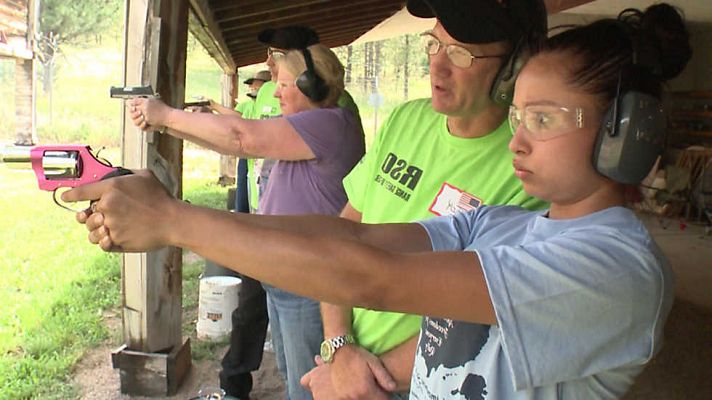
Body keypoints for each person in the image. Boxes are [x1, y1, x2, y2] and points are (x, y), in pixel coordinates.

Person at [65, 2, 691, 398]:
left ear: (625, 140)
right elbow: (354, 237)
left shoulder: (617, 269)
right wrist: (340, 351)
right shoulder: (505, 224)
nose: (519, 140)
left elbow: (378, 278)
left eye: (547, 119)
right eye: (521, 116)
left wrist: (173, 219)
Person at [314, 0, 548, 398]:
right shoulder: (407, 119)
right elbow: (343, 235)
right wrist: (339, 346)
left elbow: (486, 319)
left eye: (460, 53)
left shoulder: (531, 166)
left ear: (515, 67)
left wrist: (365, 380)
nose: (437, 66)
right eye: (433, 44)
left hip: (426, 382)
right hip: (348, 361)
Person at [126, 43, 365, 400]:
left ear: (310, 85)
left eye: (284, 83)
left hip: (310, 279)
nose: (276, 90)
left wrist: (164, 115)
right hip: (286, 274)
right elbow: (232, 140)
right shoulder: (302, 127)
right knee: (293, 378)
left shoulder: (330, 123)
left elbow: (241, 138)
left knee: (310, 387)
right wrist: (166, 123)